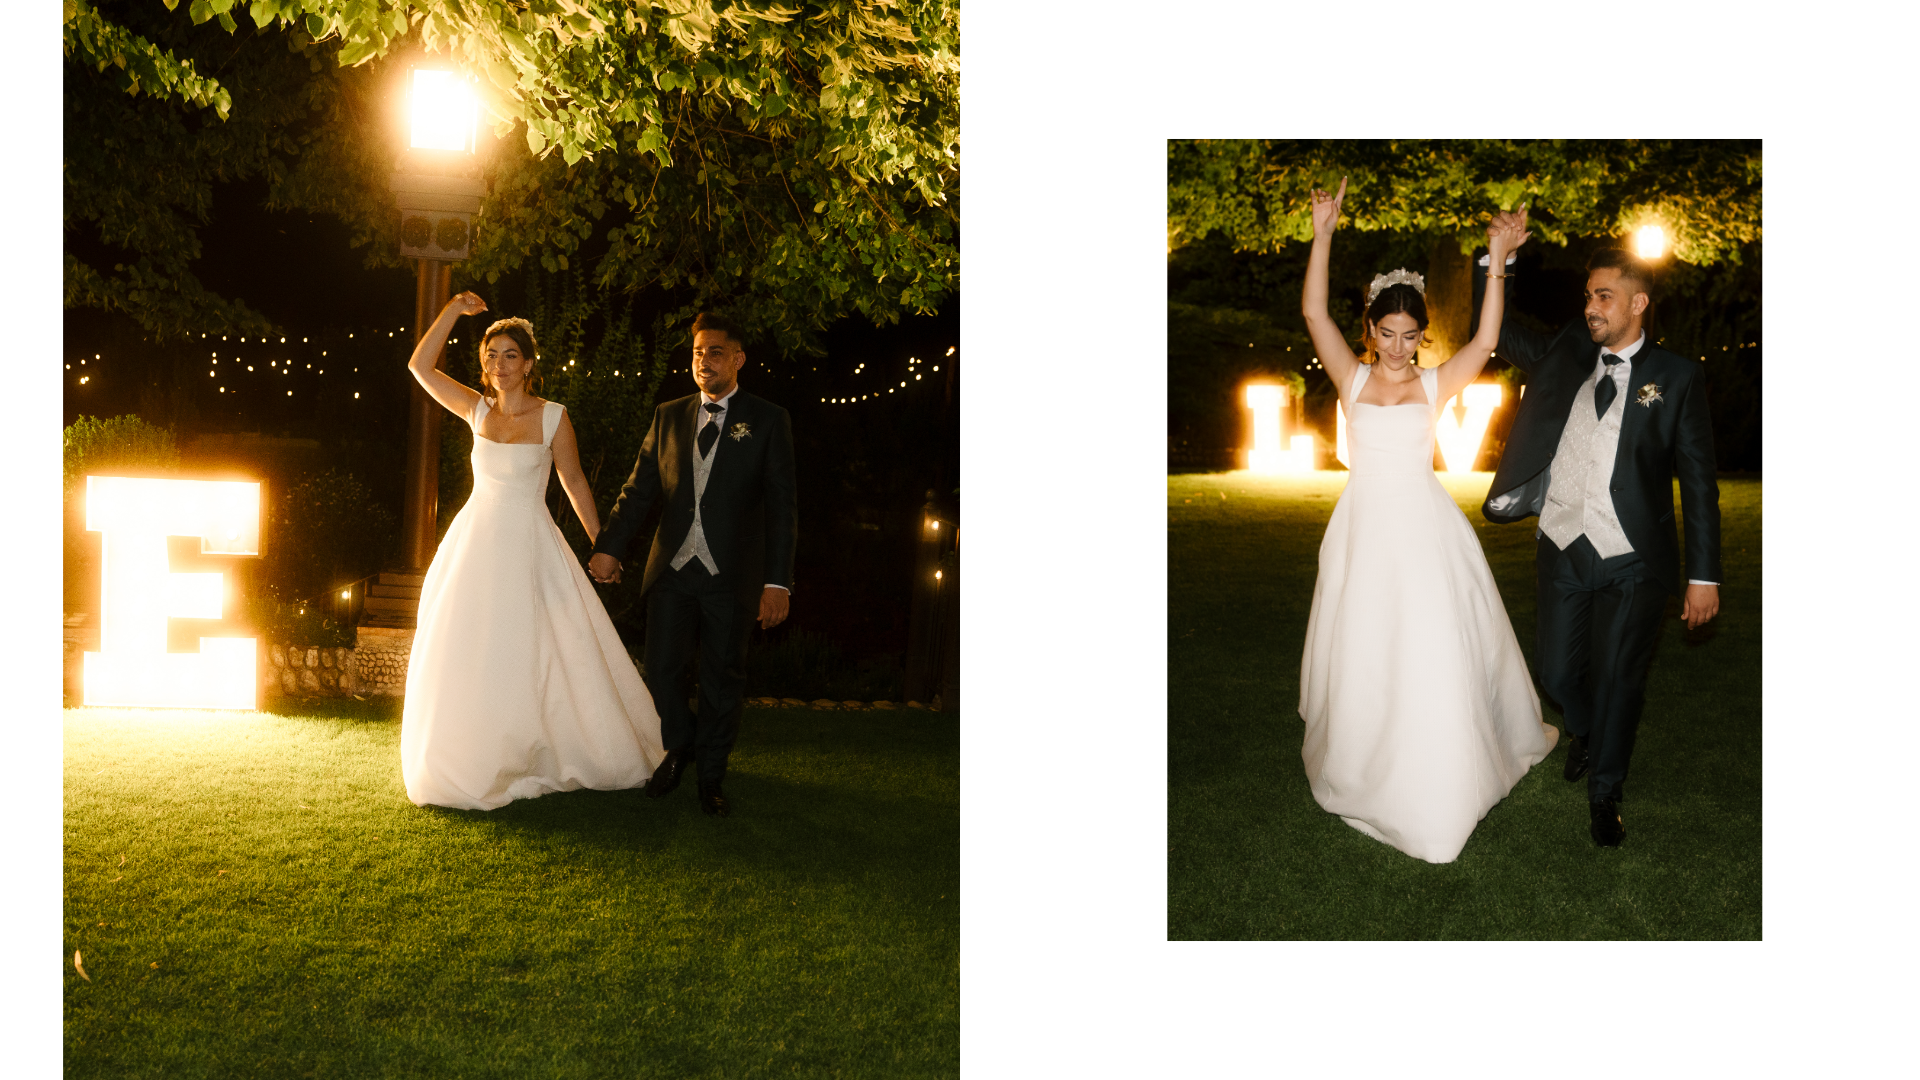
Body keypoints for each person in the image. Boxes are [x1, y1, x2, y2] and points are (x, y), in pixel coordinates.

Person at [1297, 177, 1558, 864]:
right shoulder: (1351, 378)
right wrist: (1324, 234)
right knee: (1365, 645)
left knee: (1430, 642)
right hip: (1361, 531)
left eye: (1411, 336)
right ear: (1370, 329)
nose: (1398, 348)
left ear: (1421, 335)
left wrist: (1497, 261)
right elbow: (1314, 313)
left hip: (1423, 531)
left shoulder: (1434, 383)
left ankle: (1441, 765)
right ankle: (1365, 755)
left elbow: (1489, 336)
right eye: (1387, 333)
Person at [1478, 211, 1721, 848]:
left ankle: (1605, 791)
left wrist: (1702, 574)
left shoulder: (1676, 376)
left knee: (1619, 678)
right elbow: (1496, 331)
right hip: (1560, 544)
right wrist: (1496, 258)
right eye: (1588, 296)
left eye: (1603, 296)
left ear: (1637, 303)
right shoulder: (1566, 349)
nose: (1591, 307)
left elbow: (1698, 482)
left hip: (1633, 558)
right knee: (1557, 675)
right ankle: (1582, 728)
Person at [397, 291, 665, 810]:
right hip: (475, 547)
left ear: (530, 363)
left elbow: (574, 483)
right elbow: (419, 365)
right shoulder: (475, 408)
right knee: (474, 649)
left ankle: (548, 746)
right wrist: (452, 309)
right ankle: (473, 754)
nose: (499, 365)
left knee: (543, 649)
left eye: (510, 355)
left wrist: (601, 547)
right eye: (491, 356)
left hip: (530, 548)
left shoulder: (553, 418)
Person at [587, 312, 797, 819]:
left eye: (716, 352)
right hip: (674, 571)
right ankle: (679, 747)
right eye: (699, 352)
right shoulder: (669, 415)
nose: (705, 361)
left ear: (739, 359)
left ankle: (711, 776)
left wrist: (778, 582)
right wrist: (609, 545)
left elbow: (783, 507)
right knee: (662, 669)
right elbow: (638, 491)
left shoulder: (768, 420)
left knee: (724, 677)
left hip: (733, 575)